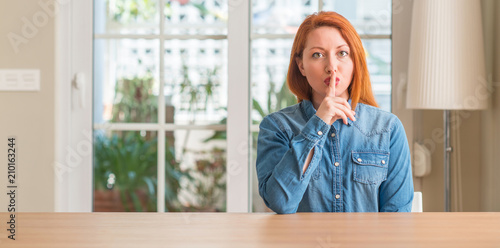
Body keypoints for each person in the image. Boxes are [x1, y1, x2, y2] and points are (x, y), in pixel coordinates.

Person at [256, 11, 413, 214]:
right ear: (301, 65)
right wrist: (319, 123)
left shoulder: (387, 128)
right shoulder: (276, 127)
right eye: (318, 55)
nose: (332, 67)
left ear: (355, 61)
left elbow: (397, 218)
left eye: (342, 53)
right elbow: (280, 203)